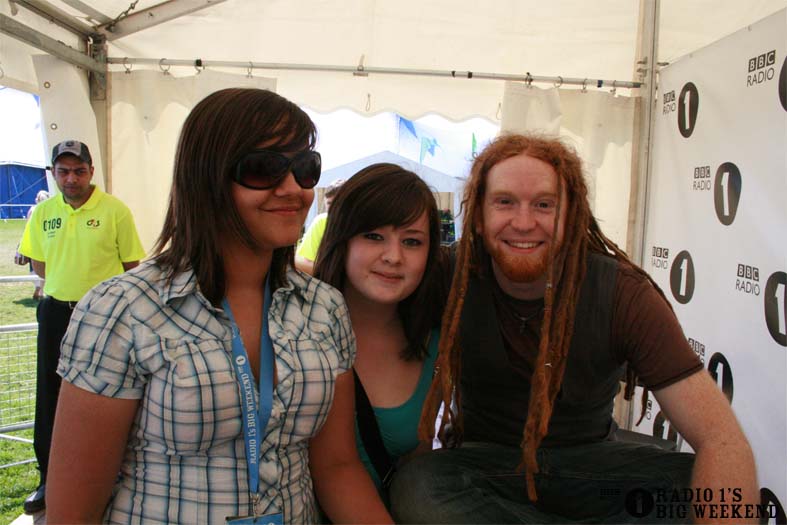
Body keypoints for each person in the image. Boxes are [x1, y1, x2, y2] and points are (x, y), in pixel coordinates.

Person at [45, 88, 392, 524]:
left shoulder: (324, 309)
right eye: (264, 169)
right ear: (207, 177)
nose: (293, 189)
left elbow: (336, 467)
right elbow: (71, 513)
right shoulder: (122, 309)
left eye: (305, 168)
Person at [390, 134, 757, 524]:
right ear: (478, 216)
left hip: (593, 467)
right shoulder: (450, 276)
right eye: (505, 202)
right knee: (417, 486)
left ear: (572, 214)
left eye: (545, 205)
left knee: (696, 486)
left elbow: (720, 437)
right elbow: (366, 290)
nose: (524, 222)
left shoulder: (622, 293)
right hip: (486, 465)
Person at [17, 140, 145, 515]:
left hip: (103, 319)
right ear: (53, 173)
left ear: (91, 171)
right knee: (50, 396)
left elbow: (130, 265)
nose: (71, 179)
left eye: (79, 171)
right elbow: (40, 265)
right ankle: (48, 479)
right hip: (55, 313)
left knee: (107, 397)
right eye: (63, 171)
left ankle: (111, 479)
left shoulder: (114, 210)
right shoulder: (42, 212)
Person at [314, 164, 447, 503]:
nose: (393, 256)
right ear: (341, 238)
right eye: (373, 236)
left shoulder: (435, 342)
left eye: (412, 241)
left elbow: (412, 464)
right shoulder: (298, 328)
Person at [295, 178, 345, 274]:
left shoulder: (361, 227)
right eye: (330, 203)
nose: (334, 208)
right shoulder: (322, 222)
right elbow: (305, 262)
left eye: (339, 203)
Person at [14, 190, 51, 300]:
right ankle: (42, 289)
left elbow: (27, 226)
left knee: (33, 265)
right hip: (44, 241)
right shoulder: (48, 210)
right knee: (45, 265)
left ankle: (38, 288)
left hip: (33, 240)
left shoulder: (32, 209)